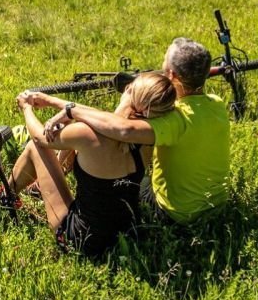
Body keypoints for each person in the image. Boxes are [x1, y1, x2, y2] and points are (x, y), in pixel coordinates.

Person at [24, 37, 229, 225]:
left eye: (164, 63)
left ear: (172, 75)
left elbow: (120, 129)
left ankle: (48, 180)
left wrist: (63, 106)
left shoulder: (174, 119)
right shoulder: (217, 104)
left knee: (97, 144)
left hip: (176, 214)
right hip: (216, 207)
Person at [11, 72, 177, 258]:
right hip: (127, 234)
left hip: (81, 240)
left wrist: (26, 108)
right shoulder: (149, 137)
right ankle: (34, 186)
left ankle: (6, 195)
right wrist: (56, 103)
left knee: (35, 147)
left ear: (128, 89)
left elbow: (39, 137)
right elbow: (106, 121)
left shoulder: (87, 135)